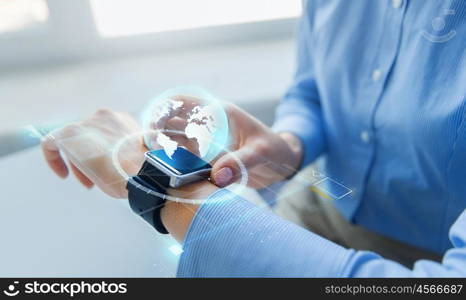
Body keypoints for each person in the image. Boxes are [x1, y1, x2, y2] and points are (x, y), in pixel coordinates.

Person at [41, 0, 466, 276]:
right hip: (313, 195)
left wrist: (154, 181)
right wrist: (289, 144)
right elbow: (310, 89)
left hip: (417, 258)